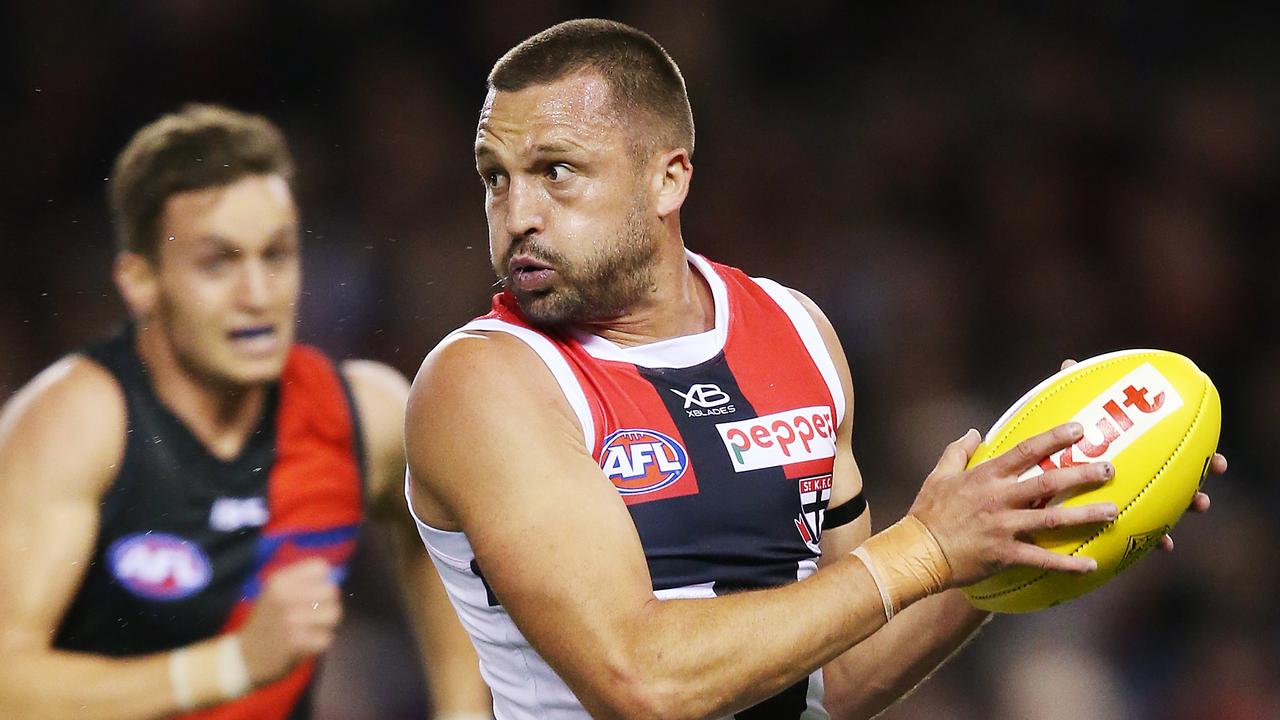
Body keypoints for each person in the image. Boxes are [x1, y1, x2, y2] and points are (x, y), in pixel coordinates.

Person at [403, 19, 1226, 720]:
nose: (518, 216)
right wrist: (925, 550)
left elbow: (834, 676)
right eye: (495, 179)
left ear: (668, 177)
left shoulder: (798, 334)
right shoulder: (484, 383)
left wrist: (1014, 527)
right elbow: (640, 678)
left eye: (556, 171)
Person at [0, 104, 491, 720]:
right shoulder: (75, 425)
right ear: (140, 280)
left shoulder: (363, 415)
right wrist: (232, 664)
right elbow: (7, 685)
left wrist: (461, 710)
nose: (257, 295)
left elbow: (437, 531)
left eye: (276, 255)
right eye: (218, 262)